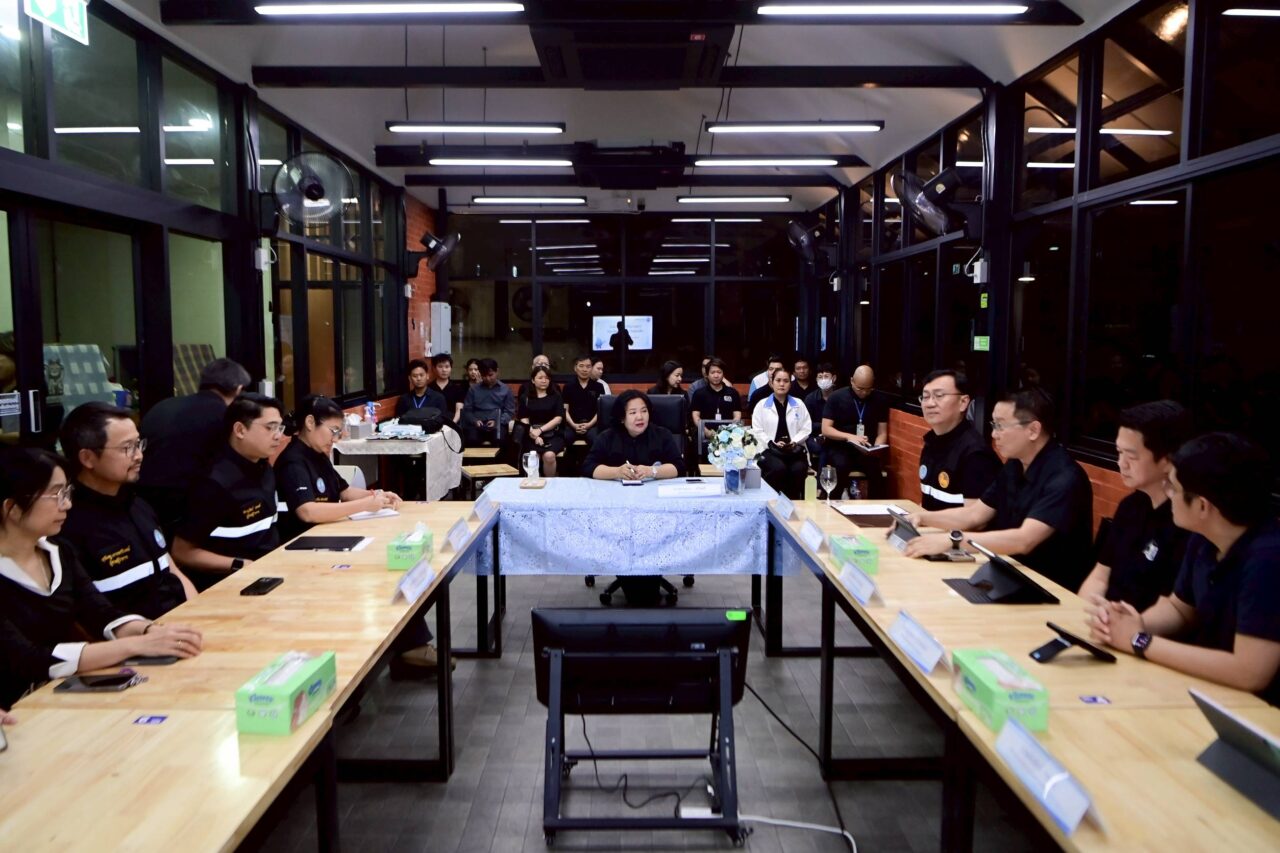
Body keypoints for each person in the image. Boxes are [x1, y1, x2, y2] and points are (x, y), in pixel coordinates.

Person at [0, 448, 203, 710]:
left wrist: (149, 630)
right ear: (12, 508)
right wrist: (136, 645)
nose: (67, 504)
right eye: (56, 494)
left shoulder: (59, 551)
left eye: (67, 492)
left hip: (60, 694)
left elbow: (99, 612)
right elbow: (29, 659)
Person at [1086, 433, 1280, 706]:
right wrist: (1129, 624)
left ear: (1202, 505)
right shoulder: (1203, 537)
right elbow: (1179, 609)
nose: (1168, 495)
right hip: (1207, 689)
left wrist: (1139, 641)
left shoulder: (1268, 560)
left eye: (1174, 489)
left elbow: (1250, 672)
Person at [904, 389, 1095, 591]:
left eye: (1000, 426)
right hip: (1008, 574)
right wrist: (922, 518)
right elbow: (975, 515)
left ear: (1033, 430)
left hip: (1049, 588)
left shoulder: (1065, 478)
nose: (994, 434)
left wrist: (954, 540)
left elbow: (1024, 540)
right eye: (993, 425)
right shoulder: (1015, 465)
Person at [57, 403, 195, 618]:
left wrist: (198, 612)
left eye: (138, 444)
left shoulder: (138, 505)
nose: (139, 455)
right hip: (136, 635)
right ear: (87, 458)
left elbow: (172, 570)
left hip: (183, 623)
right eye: (127, 448)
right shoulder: (68, 524)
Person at [1078, 401, 1193, 611]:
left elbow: (1177, 610)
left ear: (1167, 460)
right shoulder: (1130, 506)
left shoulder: (1185, 522)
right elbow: (1100, 576)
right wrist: (1085, 610)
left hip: (1144, 626)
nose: (1121, 463)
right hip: (1105, 618)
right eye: (1119, 452)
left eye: (1131, 456)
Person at [172, 393, 285, 590]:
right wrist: (239, 564)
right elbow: (182, 551)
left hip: (270, 572)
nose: (278, 436)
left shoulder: (264, 468)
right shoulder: (214, 483)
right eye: (270, 427)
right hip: (230, 584)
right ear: (240, 430)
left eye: (280, 428)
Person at [138, 357, 250, 536]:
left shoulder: (163, 406)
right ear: (238, 389)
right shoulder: (224, 415)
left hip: (142, 503)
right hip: (185, 504)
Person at [275, 396, 401, 542]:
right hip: (302, 539)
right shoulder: (293, 461)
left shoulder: (318, 454)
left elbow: (344, 491)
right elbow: (307, 512)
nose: (335, 439)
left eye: (338, 433)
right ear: (310, 422)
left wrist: (378, 496)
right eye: (333, 431)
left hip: (325, 532)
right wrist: (364, 505)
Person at [916, 369, 1001, 511]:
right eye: (925, 397)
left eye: (939, 396)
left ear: (963, 402)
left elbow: (973, 519)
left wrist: (924, 520)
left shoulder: (975, 454)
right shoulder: (931, 443)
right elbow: (928, 505)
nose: (930, 403)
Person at [583, 390, 686, 481]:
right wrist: (616, 472)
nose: (640, 417)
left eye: (644, 411)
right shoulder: (607, 437)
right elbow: (588, 467)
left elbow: (679, 467)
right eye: (633, 413)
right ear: (622, 418)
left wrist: (652, 471)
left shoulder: (662, 435)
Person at [821, 364, 890, 498]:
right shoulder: (836, 397)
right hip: (840, 447)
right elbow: (826, 429)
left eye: (868, 389)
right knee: (841, 466)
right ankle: (833, 502)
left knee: (875, 472)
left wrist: (875, 448)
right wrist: (850, 437)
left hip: (865, 449)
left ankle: (876, 507)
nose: (864, 393)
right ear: (852, 381)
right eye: (860, 389)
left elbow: (882, 432)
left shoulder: (879, 400)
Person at [751, 370, 812, 499]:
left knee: (798, 470)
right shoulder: (761, 405)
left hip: (794, 450)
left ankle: (793, 503)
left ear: (790, 384)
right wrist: (771, 443)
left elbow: (806, 428)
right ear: (771, 383)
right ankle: (770, 501)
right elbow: (757, 430)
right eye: (778, 380)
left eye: (786, 381)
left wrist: (794, 441)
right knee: (778, 468)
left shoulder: (799, 404)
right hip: (768, 450)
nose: (782, 384)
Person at [516, 366, 565, 477]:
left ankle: (550, 483)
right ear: (533, 380)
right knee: (533, 456)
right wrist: (533, 434)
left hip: (553, 433)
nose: (544, 380)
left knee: (549, 456)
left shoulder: (556, 396)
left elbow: (558, 418)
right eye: (540, 378)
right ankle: (533, 483)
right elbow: (523, 418)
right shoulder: (526, 397)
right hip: (531, 433)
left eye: (547, 378)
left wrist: (540, 430)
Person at [461, 358, 516, 447]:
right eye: (484, 375)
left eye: (490, 375)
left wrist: (497, 421)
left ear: (497, 371)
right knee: (471, 439)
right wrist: (474, 420)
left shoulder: (505, 389)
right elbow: (467, 410)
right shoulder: (473, 389)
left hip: (498, 425)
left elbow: (509, 411)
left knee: (500, 439)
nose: (487, 378)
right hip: (477, 425)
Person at [690, 358, 742, 440]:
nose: (716, 375)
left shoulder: (732, 393)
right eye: (712, 372)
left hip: (728, 436)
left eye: (719, 372)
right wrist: (706, 432)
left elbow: (737, 416)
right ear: (707, 374)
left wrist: (728, 432)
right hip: (704, 435)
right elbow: (696, 416)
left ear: (723, 374)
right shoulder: (699, 394)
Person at [562, 354, 604, 446]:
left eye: (588, 366)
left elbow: (600, 411)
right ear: (575, 368)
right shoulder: (568, 387)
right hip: (572, 425)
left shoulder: (599, 387)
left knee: (596, 439)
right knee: (564, 437)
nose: (585, 369)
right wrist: (574, 425)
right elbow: (565, 410)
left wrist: (589, 425)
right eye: (581, 366)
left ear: (591, 368)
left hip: (592, 425)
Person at [804, 363, 837, 461]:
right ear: (816, 379)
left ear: (834, 378)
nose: (823, 380)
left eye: (826, 376)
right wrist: (823, 427)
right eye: (820, 377)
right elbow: (806, 424)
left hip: (836, 435)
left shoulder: (840, 397)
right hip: (815, 435)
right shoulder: (810, 399)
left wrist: (829, 430)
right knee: (820, 447)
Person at [430, 354, 466, 424]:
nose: (444, 370)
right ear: (434, 368)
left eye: (447, 367)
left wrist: (452, 424)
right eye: (440, 366)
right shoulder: (429, 388)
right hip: (433, 424)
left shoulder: (458, 389)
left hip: (453, 423)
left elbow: (459, 410)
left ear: (451, 368)